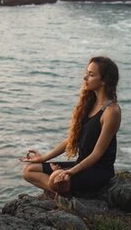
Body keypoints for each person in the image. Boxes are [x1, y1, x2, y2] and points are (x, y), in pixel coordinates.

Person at [20, 56, 121, 196]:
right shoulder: (89, 104)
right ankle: (64, 189)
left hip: (98, 172)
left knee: (55, 178)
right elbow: (71, 139)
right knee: (28, 170)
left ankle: (64, 188)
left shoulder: (111, 111)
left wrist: (69, 172)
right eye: (86, 73)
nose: (85, 78)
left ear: (104, 80)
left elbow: (97, 154)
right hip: (81, 164)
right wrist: (43, 158)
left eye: (91, 75)